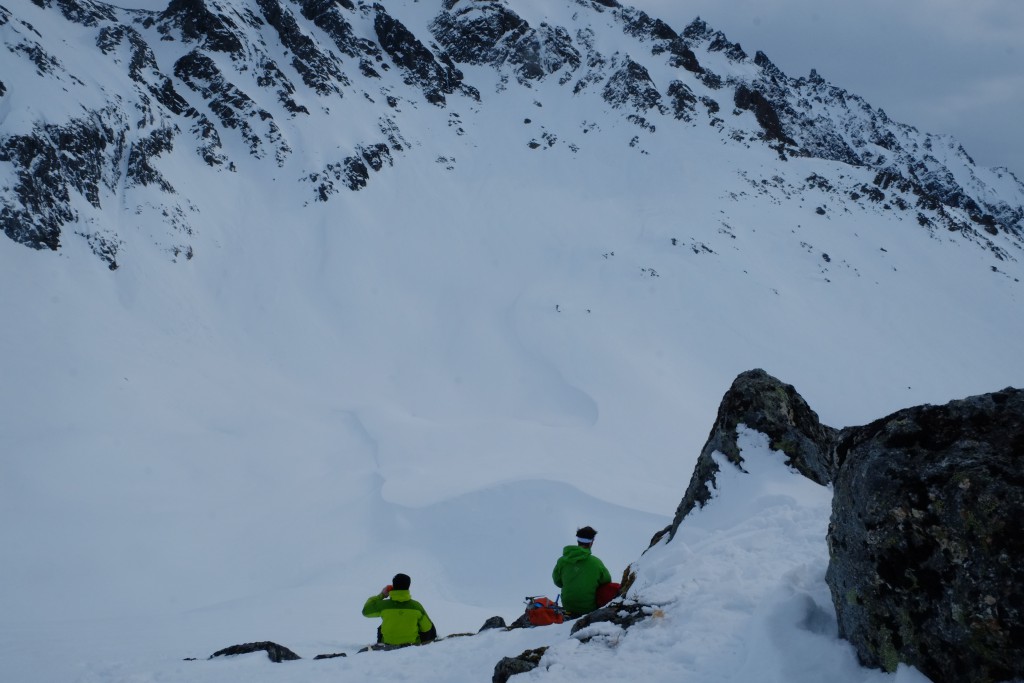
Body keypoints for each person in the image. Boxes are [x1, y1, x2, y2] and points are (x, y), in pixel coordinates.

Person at [552, 526, 613, 617]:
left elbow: (557, 582)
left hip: (568, 606)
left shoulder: (562, 561)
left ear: (578, 541)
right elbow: (607, 581)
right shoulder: (596, 563)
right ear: (592, 542)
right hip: (589, 608)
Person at [361, 573, 436, 647]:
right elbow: (427, 628)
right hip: (412, 645)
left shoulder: (383, 606)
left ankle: (383, 644)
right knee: (426, 623)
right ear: (408, 586)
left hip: (387, 645)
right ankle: (430, 642)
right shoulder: (416, 606)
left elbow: (366, 611)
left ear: (393, 586)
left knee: (383, 627)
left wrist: (382, 595)